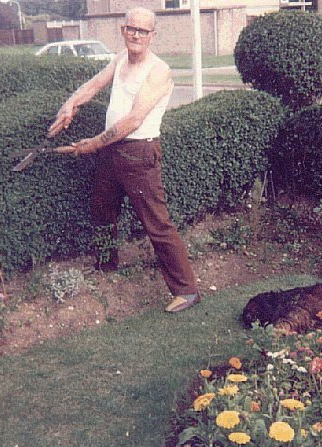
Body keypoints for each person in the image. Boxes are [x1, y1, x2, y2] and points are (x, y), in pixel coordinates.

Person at [48, 7, 200, 314]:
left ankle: (187, 290)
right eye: (131, 29)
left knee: (157, 224)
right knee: (103, 210)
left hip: (139, 153)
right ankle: (107, 264)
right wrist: (70, 105)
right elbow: (93, 85)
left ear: (152, 36)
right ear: (123, 30)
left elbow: (133, 119)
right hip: (112, 153)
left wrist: (93, 143)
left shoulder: (159, 71)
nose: (136, 35)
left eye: (143, 31)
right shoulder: (119, 59)